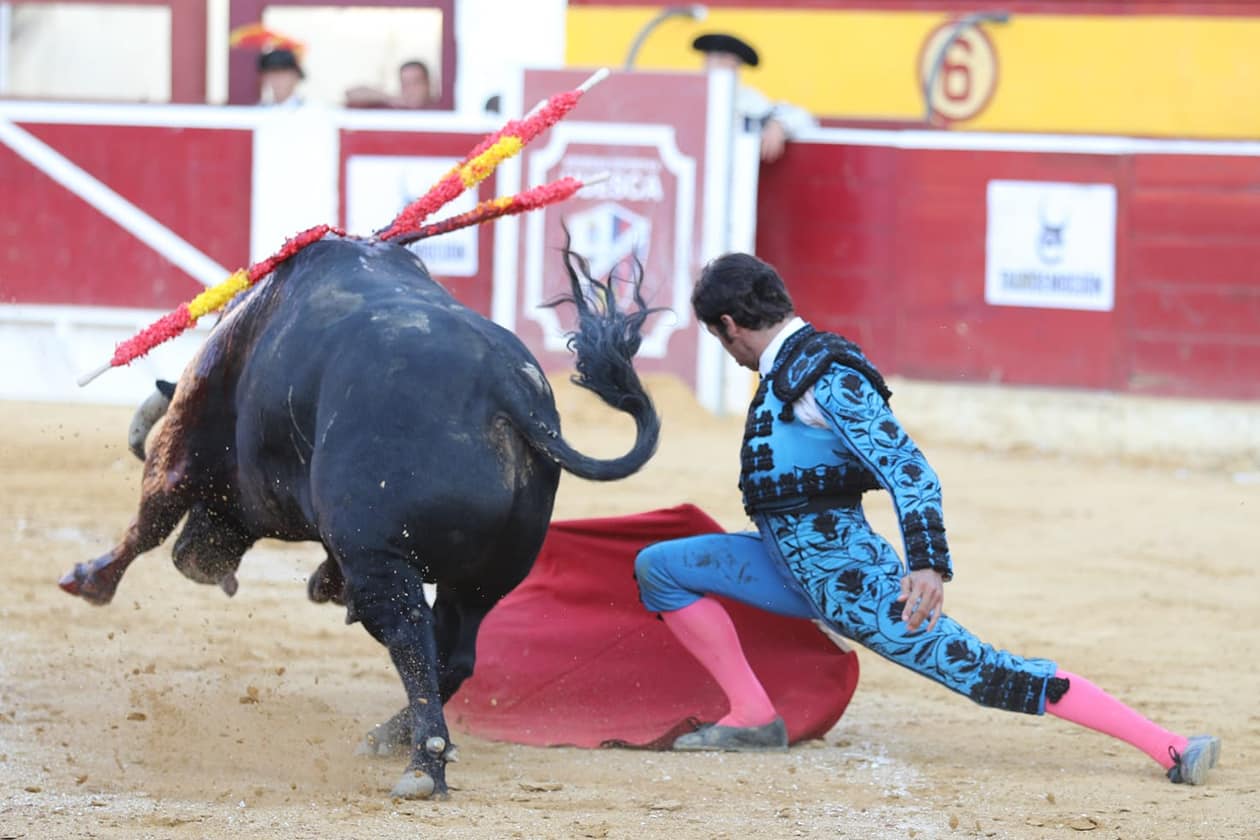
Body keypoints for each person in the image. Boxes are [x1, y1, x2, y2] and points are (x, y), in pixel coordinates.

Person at [633, 253, 1220, 785]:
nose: (727, 353)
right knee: (661, 568)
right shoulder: (788, 373)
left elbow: (910, 471)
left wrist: (928, 566)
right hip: (783, 563)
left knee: (988, 672)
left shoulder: (825, 375)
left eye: (720, 338)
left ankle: (1167, 745)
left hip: (851, 584)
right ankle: (753, 717)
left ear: (730, 325)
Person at [692, 33, 816, 163]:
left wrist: (778, 125)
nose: (723, 65)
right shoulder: (687, 95)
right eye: (717, 59)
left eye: (730, 62)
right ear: (706, 62)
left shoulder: (748, 100)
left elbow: (803, 118)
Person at [345, 60, 436, 110]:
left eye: (415, 82)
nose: (410, 89)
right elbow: (351, 94)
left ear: (427, 84)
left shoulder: (438, 107)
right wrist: (389, 98)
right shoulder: (393, 106)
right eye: (405, 84)